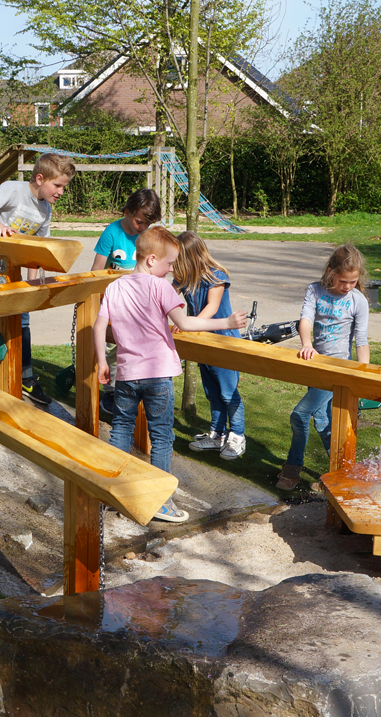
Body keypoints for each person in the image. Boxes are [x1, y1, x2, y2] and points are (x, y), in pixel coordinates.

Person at [93, 226, 247, 522]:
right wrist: (227, 322)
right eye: (171, 263)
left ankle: (114, 491)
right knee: (162, 437)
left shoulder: (115, 287)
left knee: (121, 430)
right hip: (158, 376)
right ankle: (160, 501)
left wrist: (102, 361)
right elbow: (186, 324)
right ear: (152, 260)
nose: (173, 269)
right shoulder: (160, 287)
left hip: (125, 376)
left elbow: (100, 327)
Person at [0, 153, 76, 407]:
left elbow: (34, 251)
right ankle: (6, 377)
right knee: (11, 312)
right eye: (57, 185)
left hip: (12, 266)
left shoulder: (45, 210)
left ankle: (23, 377)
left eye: (64, 187)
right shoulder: (13, 190)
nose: (61, 192)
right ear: (40, 179)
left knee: (21, 313)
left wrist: (32, 285)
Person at [276, 243, 370, 490]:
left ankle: (292, 469)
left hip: (338, 369)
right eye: (343, 281)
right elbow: (306, 319)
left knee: (299, 415)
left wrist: (364, 375)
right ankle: (343, 473)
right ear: (331, 272)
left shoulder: (358, 301)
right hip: (315, 365)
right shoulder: (315, 291)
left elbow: (361, 340)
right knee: (323, 420)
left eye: (352, 282)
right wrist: (307, 344)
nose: (347, 286)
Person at [173, 231, 246, 461]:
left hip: (223, 341)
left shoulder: (217, 276)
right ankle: (217, 434)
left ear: (189, 257)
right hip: (202, 340)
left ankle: (238, 435)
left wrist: (187, 325)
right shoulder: (185, 277)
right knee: (212, 391)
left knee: (228, 392)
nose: (174, 265)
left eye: (176, 259)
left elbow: (212, 308)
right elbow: (168, 296)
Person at [90, 188, 162, 415]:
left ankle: (133, 390)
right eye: (139, 221)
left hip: (140, 305)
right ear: (128, 212)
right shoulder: (112, 233)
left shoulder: (149, 237)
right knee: (113, 347)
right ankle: (111, 392)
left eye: (147, 224)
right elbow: (96, 271)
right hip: (114, 302)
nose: (143, 227)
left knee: (137, 348)